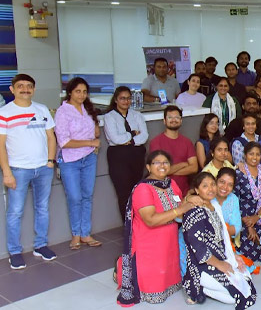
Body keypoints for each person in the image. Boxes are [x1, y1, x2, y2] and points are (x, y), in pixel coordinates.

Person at [117, 150, 194, 306]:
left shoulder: (171, 183)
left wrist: (191, 199)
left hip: (169, 243)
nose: (162, 166)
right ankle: (120, 269)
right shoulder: (143, 189)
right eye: (157, 163)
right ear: (148, 167)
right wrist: (179, 210)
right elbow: (150, 220)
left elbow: (179, 204)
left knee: (172, 276)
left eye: (165, 162)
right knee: (155, 293)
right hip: (150, 246)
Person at [1, 74, 57, 269]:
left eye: (29, 86)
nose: (25, 89)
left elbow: (51, 137)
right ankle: (15, 252)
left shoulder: (41, 109)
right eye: (21, 86)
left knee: (42, 208)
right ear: (12, 89)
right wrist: (7, 172)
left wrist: (50, 161)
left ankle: (40, 245)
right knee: (15, 212)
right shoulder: (5, 112)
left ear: (34, 89)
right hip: (18, 169)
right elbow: (0, 146)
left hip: (43, 168)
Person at [182, 171, 257, 308]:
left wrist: (233, 256)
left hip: (220, 256)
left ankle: (207, 287)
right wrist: (220, 264)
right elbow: (199, 248)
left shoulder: (215, 206)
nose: (210, 189)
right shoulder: (194, 211)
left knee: (245, 280)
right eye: (205, 186)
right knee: (233, 297)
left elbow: (223, 238)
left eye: (212, 184)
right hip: (202, 264)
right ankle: (196, 287)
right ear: (197, 190)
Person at [55, 77, 102, 249]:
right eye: (77, 91)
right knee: (75, 197)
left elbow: (95, 133)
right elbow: (64, 142)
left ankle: (85, 234)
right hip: (70, 160)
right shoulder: (63, 111)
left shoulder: (87, 108)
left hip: (89, 158)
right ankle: (75, 235)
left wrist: (94, 134)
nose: (81, 95)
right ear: (70, 92)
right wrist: (90, 143)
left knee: (87, 196)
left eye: (84, 91)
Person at [104, 86, 149, 221]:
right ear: (116, 100)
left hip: (136, 154)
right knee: (124, 192)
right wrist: (133, 133)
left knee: (136, 190)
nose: (126, 101)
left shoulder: (137, 115)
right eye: (122, 98)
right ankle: (128, 224)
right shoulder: (109, 116)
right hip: (118, 156)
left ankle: (138, 223)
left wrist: (129, 140)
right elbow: (116, 139)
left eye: (128, 98)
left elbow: (144, 136)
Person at [235, 142, 261, 262]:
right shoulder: (238, 174)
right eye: (251, 154)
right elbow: (234, 202)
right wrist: (249, 224)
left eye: (258, 154)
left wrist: (256, 217)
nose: (254, 157)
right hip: (243, 219)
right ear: (245, 155)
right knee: (248, 255)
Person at [149, 106, 198, 194]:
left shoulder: (187, 142)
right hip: (162, 192)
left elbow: (194, 168)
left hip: (184, 192)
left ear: (181, 120)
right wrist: (183, 164)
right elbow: (158, 170)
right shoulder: (156, 142)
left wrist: (169, 171)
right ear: (164, 121)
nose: (174, 120)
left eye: (177, 117)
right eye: (170, 117)